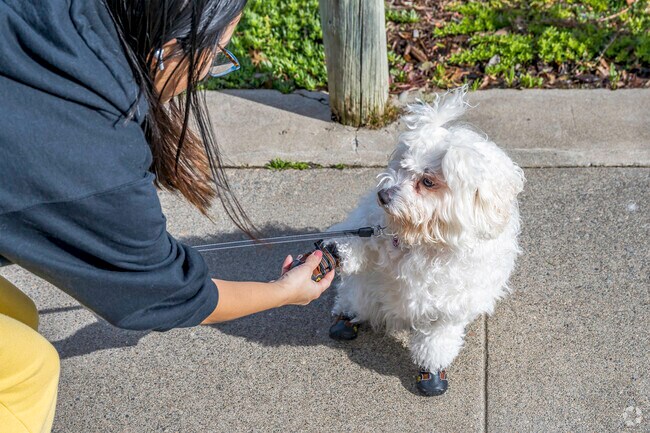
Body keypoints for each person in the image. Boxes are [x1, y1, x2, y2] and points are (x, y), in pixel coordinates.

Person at [0, 1, 334, 431]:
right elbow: (165, 291)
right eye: (216, 55)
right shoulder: (97, 152)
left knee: (18, 315)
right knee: (25, 370)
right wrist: (285, 291)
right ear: (169, 47)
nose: (209, 69)